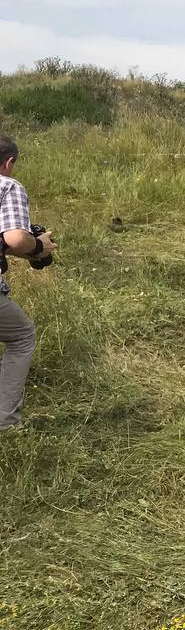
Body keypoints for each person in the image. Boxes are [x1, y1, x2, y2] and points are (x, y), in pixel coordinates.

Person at [0, 134, 54, 431]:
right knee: (22, 336)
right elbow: (16, 237)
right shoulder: (7, 185)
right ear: (9, 163)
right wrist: (37, 247)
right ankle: (6, 424)